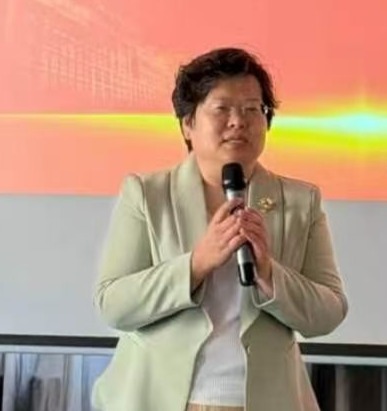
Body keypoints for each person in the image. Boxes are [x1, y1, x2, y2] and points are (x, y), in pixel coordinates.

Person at [92, 47, 348, 411]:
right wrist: (195, 264)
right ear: (188, 123)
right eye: (222, 109)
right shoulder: (148, 195)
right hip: (161, 400)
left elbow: (329, 312)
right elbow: (113, 305)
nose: (238, 121)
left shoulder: (300, 201)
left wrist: (270, 275)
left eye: (252, 109)